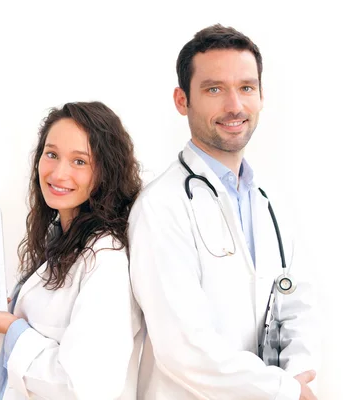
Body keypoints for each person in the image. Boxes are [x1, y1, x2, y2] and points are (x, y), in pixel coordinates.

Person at [129, 25, 319, 399]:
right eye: (214, 89)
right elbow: (185, 348)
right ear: (182, 101)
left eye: (246, 87)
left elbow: (295, 304)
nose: (235, 105)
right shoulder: (161, 206)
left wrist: (296, 374)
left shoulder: (269, 201)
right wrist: (284, 391)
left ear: (261, 96)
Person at [0, 101, 144, 399]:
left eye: (80, 161)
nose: (58, 173)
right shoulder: (59, 241)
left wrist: (14, 330)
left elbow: (87, 387)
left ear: (106, 172)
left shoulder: (105, 259)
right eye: (52, 154)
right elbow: (13, 362)